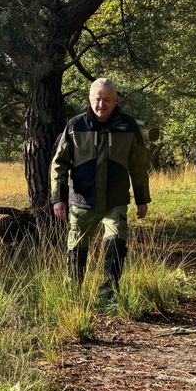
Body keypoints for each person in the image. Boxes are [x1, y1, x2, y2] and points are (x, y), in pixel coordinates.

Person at [50, 78, 151, 302]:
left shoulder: (128, 126)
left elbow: (138, 165)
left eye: (107, 100)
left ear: (115, 101)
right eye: (97, 99)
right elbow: (59, 164)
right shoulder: (75, 125)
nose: (101, 104)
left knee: (116, 245)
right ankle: (72, 297)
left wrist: (142, 198)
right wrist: (58, 198)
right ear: (90, 99)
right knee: (76, 250)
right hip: (81, 202)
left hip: (116, 201)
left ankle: (109, 296)